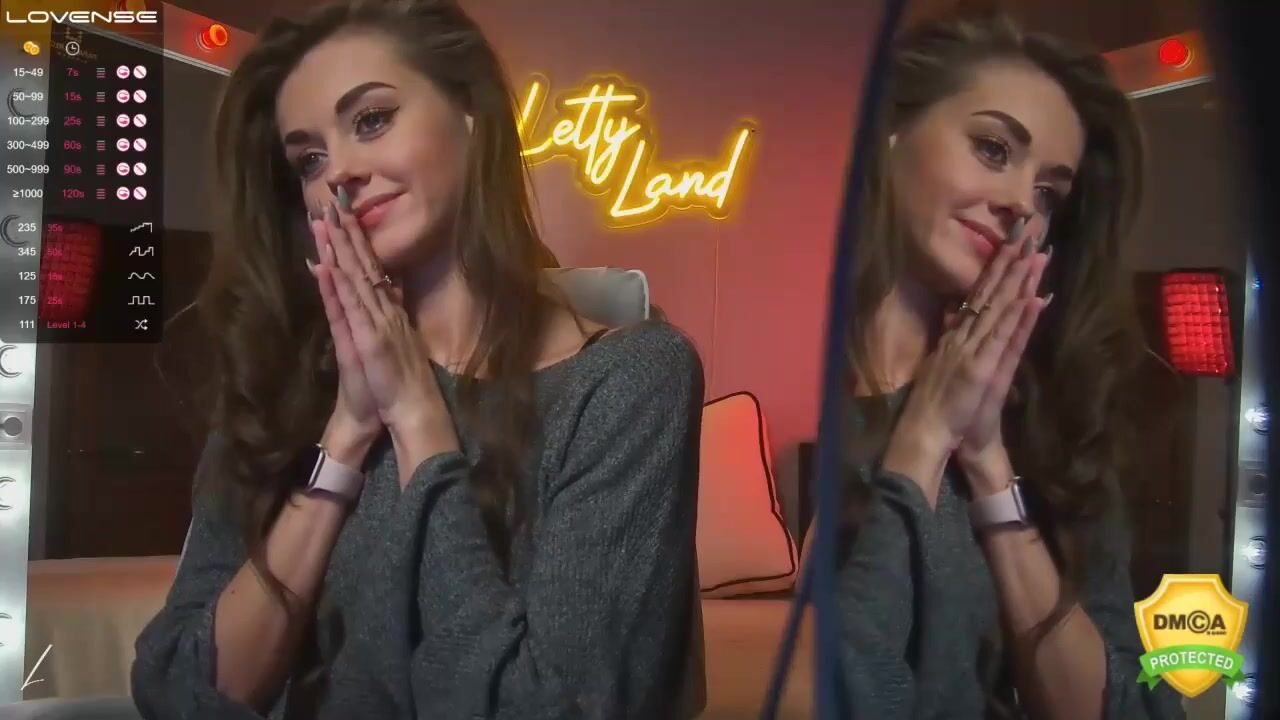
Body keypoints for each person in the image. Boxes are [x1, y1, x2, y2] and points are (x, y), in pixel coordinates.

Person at [130, 0, 705, 718]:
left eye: (372, 119)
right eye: (310, 160)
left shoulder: (629, 380)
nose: (339, 172)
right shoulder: (283, 381)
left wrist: (417, 418)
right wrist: (346, 435)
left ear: (471, 115)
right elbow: (179, 692)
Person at [832, 8, 1185, 720]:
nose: (1022, 203)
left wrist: (990, 466)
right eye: (993, 149)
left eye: (1049, 193)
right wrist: (922, 438)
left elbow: (1129, 708)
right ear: (890, 132)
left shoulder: (1050, 418)